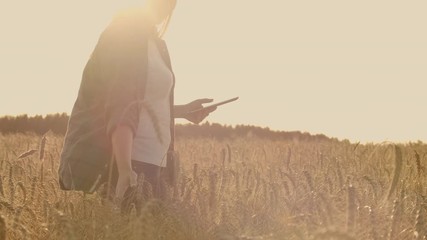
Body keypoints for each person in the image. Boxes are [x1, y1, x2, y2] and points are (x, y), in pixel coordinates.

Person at [58, 0, 216, 203]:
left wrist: (182, 111)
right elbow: (120, 103)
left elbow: (143, 101)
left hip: (155, 163)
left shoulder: (157, 45)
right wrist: (125, 168)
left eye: (171, 4)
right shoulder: (122, 36)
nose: (166, 7)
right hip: (128, 163)